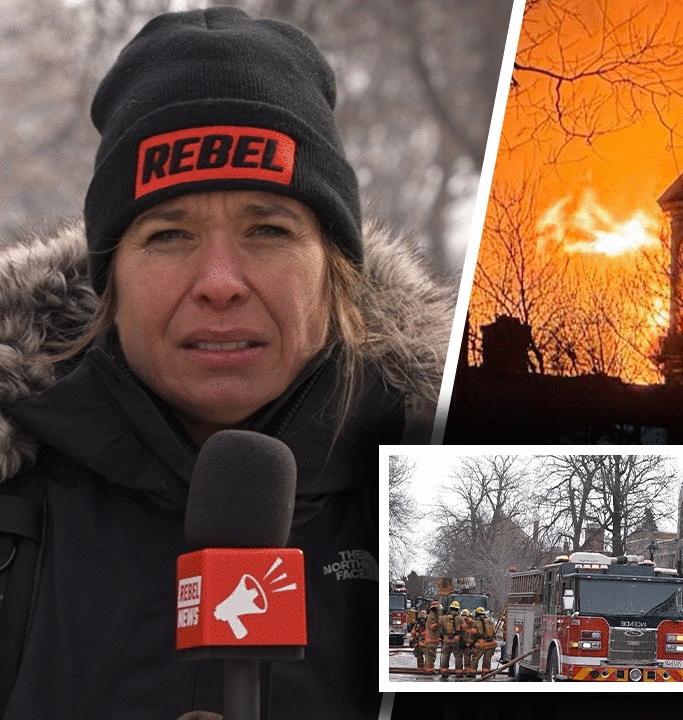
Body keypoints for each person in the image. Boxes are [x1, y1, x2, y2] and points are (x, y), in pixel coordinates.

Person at [0, 7, 450, 719]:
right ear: (110, 278)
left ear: (335, 273)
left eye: (268, 229)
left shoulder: (454, 496)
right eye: (169, 234)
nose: (219, 280)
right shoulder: (14, 496)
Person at [439, 601, 463, 679]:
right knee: (458, 657)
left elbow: (440, 629)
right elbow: (464, 629)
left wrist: (443, 637)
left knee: (445, 656)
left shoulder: (444, 618)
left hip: (446, 640)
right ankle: (459, 673)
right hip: (456, 640)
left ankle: (444, 672)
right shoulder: (460, 618)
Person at [473, 606, 498, 676]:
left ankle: (472, 673)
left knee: (475, 658)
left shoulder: (475, 623)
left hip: (481, 644)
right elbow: (494, 632)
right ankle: (485, 674)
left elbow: (473, 635)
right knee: (487, 660)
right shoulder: (490, 621)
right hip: (491, 643)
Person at [459, 609, 479, 678]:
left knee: (459, 658)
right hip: (467, 642)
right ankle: (466, 670)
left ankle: (460, 672)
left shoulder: (459, 620)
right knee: (467, 658)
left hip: (461, 642)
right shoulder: (470, 622)